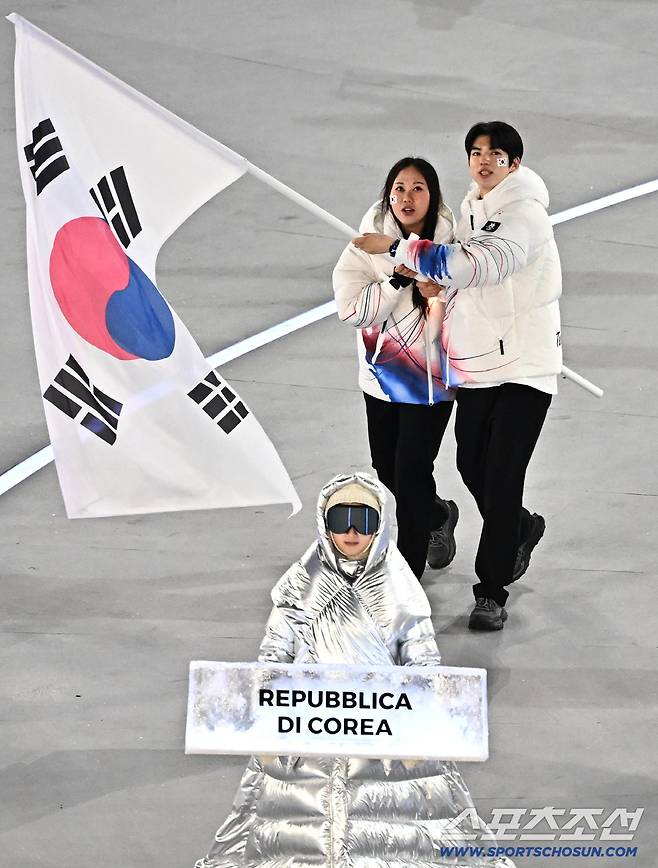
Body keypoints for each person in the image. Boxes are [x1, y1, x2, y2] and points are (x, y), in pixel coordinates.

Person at [195, 473, 514, 868]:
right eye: (339, 519)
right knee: (296, 821)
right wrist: (266, 719)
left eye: (362, 520)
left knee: (397, 823)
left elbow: (422, 659)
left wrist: (420, 731)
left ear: (378, 527)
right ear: (323, 524)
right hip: (307, 724)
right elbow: (274, 653)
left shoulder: (398, 589)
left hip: (384, 729)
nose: (350, 531)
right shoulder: (301, 585)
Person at [352, 123, 562, 631]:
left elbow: (479, 266)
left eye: (495, 154)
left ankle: (490, 591)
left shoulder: (522, 214)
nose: (483, 161)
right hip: (481, 366)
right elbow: (461, 282)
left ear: (515, 162)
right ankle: (518, 529)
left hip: (526, 367)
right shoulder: (472, 209)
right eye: (475, 153)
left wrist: (400, 252)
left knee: (502, 472)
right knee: (470, 462)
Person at [332, 157, 459, 580]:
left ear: (432, 195)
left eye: (417, 188)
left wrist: (443, 290)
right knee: (388, 470)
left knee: (412, 469)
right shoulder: (366, 246)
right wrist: (396, 282)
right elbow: (351, 311)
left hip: (434, 382)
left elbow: (477, 298)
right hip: (383, 379)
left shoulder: (452, 245)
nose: (407, 197)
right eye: (399, 188)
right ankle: (437, 514)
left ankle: (407, 575)